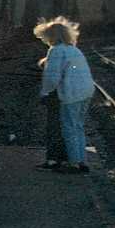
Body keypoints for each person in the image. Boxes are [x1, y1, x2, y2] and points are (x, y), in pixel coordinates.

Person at [34, 16, 95, 174]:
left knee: (69, 128)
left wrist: (44, 92)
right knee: (78, 127)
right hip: (86, 92)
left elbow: (51, 78)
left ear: (51, 36)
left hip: (72, 94)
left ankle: (74, 164)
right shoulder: (73, 49)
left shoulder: (56, 50)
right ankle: (82, 161)